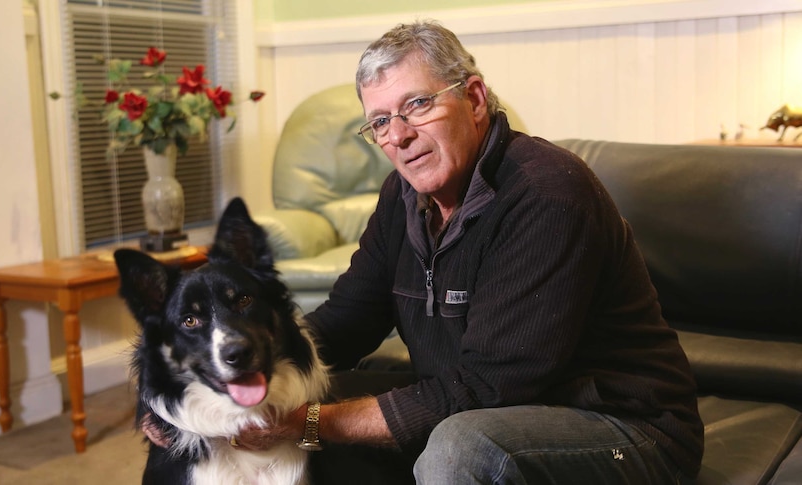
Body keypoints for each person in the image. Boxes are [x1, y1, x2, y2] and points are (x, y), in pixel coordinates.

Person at [152, 20, 705, 484]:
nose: (399, 135)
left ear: (474, 98)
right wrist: (207, 387)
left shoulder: (547, 195)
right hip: (491, 402)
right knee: (212, 424)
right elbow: (346, 321)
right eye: (380, 122)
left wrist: (308, 422)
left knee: (457, 446)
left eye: (417, 105)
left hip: (622, 428)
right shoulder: (404, 195)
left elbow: (487, 389)